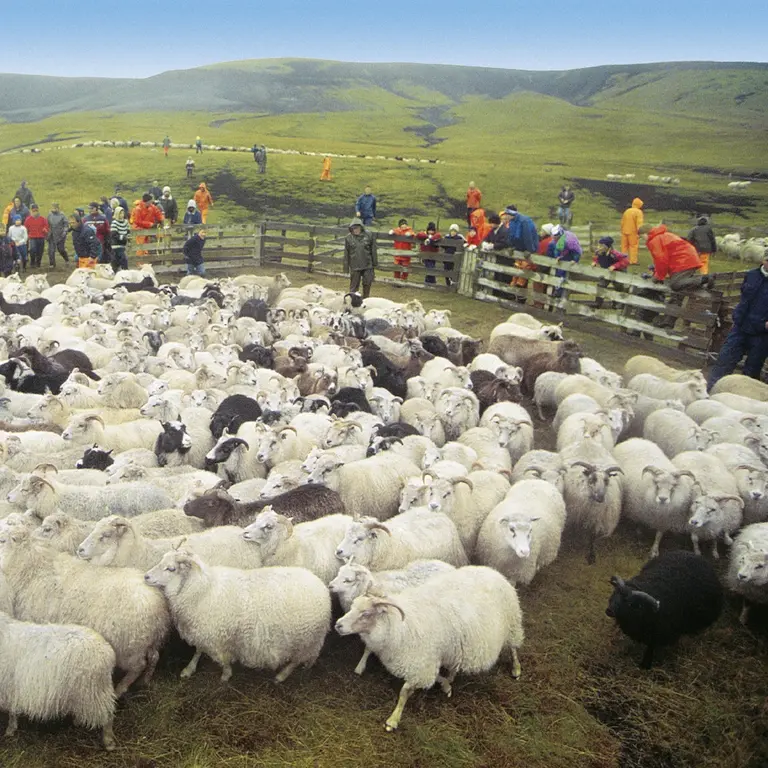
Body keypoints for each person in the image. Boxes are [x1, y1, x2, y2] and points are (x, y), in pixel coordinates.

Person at [707, 251, 768, 390]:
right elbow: (744, 297)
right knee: (724, 362)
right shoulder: (752, 275)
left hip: (762, 333)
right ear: (763, 260)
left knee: (752, 371)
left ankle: (742, 402)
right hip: (741, 327)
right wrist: (738, 316)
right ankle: (711, 392)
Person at [643, 223, 713, 328]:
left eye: (641, 236)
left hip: (683, 261)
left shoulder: (655, 240)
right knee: (679, 291)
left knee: (675, 284)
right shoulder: (662, 236)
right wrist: (659, 274)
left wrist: (658, 277)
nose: (641, 239)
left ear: (645, 233)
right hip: (685, 259)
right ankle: (668, 321)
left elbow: (661, 260)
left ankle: (704, 278)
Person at [590, 236, 629, 308]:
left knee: (618, 287)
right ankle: (598, 303)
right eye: (599, 245)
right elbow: (596, 257)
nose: (599, 247)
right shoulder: (599, 252)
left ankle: (617, 303)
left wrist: (615, 266)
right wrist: (595, 262)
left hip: (617, 272)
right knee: (601, 285)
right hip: (606, 272)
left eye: (601, 245)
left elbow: (625, 261)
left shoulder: (614, 253)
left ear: (607, 246)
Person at [343, 218, 377, 298]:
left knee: (367, 283)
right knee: (354, 286)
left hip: (367, 264)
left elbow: (373, 250)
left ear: (361, 227)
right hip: (355, 265)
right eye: (353, 228)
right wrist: (346, 268)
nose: (355, 230)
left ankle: (366, 299)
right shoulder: (348, 238)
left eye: (357, 228)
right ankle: (353, 301)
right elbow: (346, 253)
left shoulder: (369, 235)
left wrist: (374, 264)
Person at [24, 204, 49, 268]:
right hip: (32, 237)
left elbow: (46, 226)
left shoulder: (43, 219)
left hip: (41, 237)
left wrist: (45, 230)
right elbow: (25, 229)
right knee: (32, 250)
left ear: (38, 211)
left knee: (40, 251)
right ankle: (32, 262)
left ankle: (38, 263)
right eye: (34, 211)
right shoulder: (28, 219)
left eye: (36, 210)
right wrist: (26, 236)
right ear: (31, 211)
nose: (35, 212)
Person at [621, 197, 644, 265]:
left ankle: (623, 260)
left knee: (624, 246)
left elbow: (622, 222)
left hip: (624, 231)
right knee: (633, 246)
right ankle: (633, 261)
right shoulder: (639, 212)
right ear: (639, 205)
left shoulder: (627, 211)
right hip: (633, 232)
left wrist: (622, 230)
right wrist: (640, 233)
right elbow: (639, 224)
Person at [47, 202, 69, 266]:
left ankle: (66, 259)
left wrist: (64, 231)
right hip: (51, 235)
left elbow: (66, 225)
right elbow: (47, 224)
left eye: (55, 208)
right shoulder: (49, 215)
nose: (54, 209)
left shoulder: (62, 215)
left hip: (60, 235)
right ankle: (52, 264)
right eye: (53, 208)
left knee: (61, 249)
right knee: (51, 251)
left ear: (58, 208)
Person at [110, 206, 130, 271]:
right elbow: (114, 235)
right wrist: (123, 237)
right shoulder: (114, 223)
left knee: (118, 260)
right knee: (123, 259)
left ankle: (119, 271)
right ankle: (125, 271)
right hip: (116, 245)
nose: (122, 215)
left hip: (123, 244)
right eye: (120, 213)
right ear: (117, 214)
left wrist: (128, 239)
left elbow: (128, 231)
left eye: (123, 213)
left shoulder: (126, 222)